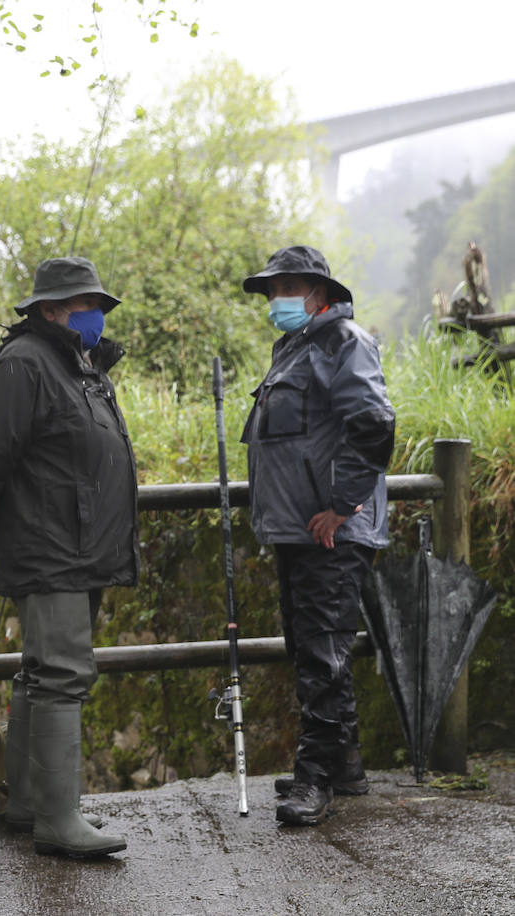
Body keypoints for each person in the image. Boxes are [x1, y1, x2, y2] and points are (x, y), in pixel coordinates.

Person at [0, 256, 138, 857]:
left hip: (79, 544)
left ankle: (30, 804)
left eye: (99, 307)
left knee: (41, 670)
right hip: (51, 545)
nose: (96, 317)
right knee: (62, 673)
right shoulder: (25, 364)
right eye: (87, 306)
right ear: (52, 309)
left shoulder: (79, 365)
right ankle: (59, 820)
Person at [239, 245, 395, 827]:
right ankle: (344, 761)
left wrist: (340, 505)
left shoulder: (342, 341)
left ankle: (316, 779)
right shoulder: (294, 347)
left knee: (322, 654)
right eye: (272, 290)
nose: (277, 300)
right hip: (297, 530)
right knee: (310, 646)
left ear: (321, 294)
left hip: (330, 532)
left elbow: (374, 424)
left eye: (289, 288)